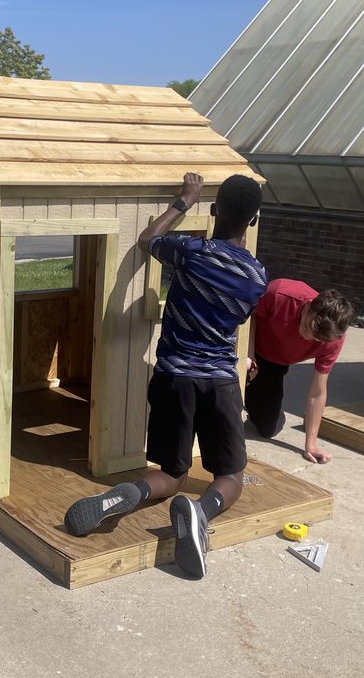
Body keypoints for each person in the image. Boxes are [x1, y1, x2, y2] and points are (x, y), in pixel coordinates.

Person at [64, 172, 268, 579]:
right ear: (254, 218)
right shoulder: (256, 278)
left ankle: (123, 495)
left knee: (171, 474)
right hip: (220, 381)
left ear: (214, 209)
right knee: (230, 475)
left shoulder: (190, 252)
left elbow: (147, 239)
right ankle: (201, 511)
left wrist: (183, 202)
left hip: (174, 377)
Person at [245, 280, 356, 464]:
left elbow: (317, 392)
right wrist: (248, 355)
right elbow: (250, 315)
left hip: (276, 363)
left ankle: (257, 402)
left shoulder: (333, 338)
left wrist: (310, 444)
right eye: (307, 328)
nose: (308, 337)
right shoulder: (280, 293)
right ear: (309, 307)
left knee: (268, 428)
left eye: (316, 338)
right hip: (250, 346)